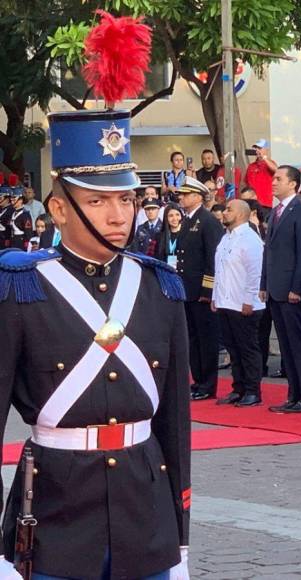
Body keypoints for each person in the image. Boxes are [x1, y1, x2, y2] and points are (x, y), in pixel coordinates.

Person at [0, 103, 189, 578]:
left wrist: (180, 535)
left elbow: (175, 421)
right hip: (55, 512)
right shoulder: (20, 287)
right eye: (98, 201)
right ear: (60, 210)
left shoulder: (159, 287)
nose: (118, 214)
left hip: (144, 510)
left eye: (125, 200)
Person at [259, 165, 301, 413]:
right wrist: (264, 283)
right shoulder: (276, 212)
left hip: (292, 291)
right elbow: (269, 251)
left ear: (293, 184)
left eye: (278, 179)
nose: (273, 183)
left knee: (298, 345)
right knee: (286, 346)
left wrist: (297, 287)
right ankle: (294, 395)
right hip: (275, 289)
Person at [175, 177, 225, 401]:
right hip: (188, 290)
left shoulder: (207, 221)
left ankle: (208, 384)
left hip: (201, 292)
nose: (181, 198)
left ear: (197, 197)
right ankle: (198, 380)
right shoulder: (188, 220)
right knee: (193, 339)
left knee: (206, 340)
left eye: (186, 194)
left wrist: (208, 291)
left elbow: (212, 259)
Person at [212, 199, 265, 407]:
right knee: (233, 348)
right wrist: (216, 297)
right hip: (226, 301)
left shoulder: (249, 239)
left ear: (241, 214)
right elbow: (219, 270)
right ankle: (239, 387)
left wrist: (249, 299)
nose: (224, 213)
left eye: (228, 210)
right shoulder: (226, 238)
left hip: (244, 303)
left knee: (248, 348)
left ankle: (253, 390)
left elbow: (255, 272)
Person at [244, 139, 277, 213]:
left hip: (265, 204)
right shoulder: (251, 166)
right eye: (256, 148)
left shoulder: (270, 163)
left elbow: (276, 170)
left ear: (266, 150)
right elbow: (246, 183)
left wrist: (264, 158)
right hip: (251, 203)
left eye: (260, 148)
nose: (257, 150)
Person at [7, 182, 33, 250]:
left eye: (14, 198)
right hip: (13, 242)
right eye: (11, 198)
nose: (12, 200)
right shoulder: (13, 213)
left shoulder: (25, 215)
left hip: (21, 243)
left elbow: (28, 233)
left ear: (21, 200)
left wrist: (26, 246)